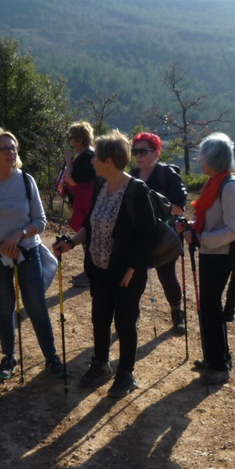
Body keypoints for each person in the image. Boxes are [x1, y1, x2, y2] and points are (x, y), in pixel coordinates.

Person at [55, 130, 158, 398]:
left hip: (126, 273)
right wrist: (72, 243)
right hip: (99, 268)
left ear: (109, 161)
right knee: (99, 318)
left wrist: (133, 269)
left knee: (125, 322)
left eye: (95, 158)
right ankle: (101, 364)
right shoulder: (101, 186)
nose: (91, 161)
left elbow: (148, 235)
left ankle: (126, 372)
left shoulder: (136, 190)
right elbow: (90, 223)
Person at [0, 128, 67, 381]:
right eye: (5, 149)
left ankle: (51, 357)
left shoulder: (26, 180)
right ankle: (9, 357)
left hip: (28, 251)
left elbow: (40, 220)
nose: (11, 153)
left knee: (36, 304)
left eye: (14, 148)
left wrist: (19, 234)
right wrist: (1, 247)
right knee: (3, 307)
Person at [176, 133, 235, 384]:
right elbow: (214, 221)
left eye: (203, 155)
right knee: (208, 308)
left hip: (220, 257)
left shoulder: (229, 186)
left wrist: (200, 237)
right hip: (211, 254)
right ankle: (215, 358)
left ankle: (219, 365)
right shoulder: (216, 182)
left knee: (211, 309)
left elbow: (232, 230)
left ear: (213, 158)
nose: (200, 159)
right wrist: (191, 226)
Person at [129, 132, 189, 335]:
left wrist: (154, 205)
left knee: (167, 276)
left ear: (156, 153)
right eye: (135, 151)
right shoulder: (132, 174)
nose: (138, 156)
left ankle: (177, 314)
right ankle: (131, 316)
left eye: (143, 151)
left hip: (164, 235)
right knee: (135, 277)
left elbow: (179, 208)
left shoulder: (168, 175)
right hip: (138, 235)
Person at [63, 121, 96, 287]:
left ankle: (90, 274)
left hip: (87, 202)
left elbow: (73, 181)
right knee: (87, 237)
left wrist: (68, 160)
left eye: (72, 137)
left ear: (80, 139)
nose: (70, 141)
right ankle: (88, 272)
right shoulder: (89, 155)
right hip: (88, 201)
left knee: (87, 236)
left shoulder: (86, 157)